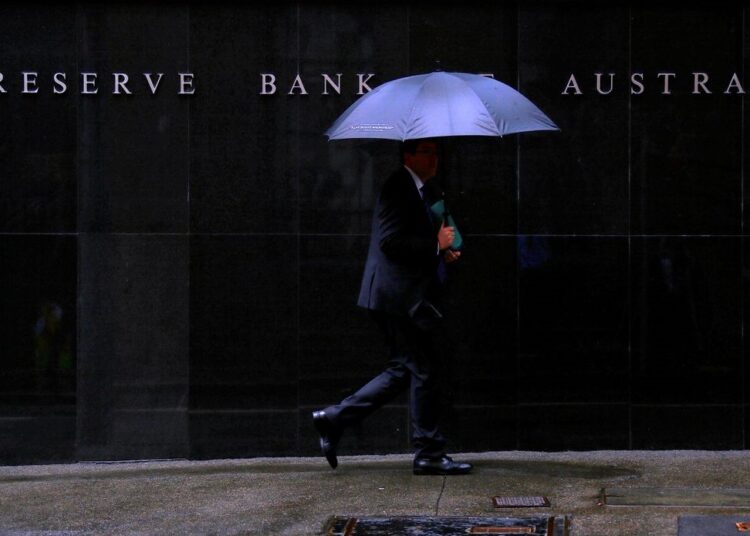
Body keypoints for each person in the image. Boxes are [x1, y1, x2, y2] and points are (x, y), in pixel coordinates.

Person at [312, 138, 472, 476]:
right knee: (424, 368)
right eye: (427, 152)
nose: (434, 159)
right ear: (408, 155)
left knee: (407, 368)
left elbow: (422, 236)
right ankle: (427, 453)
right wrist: (434, 245)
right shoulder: (397, 186)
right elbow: (390, 241)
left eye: (436, 152)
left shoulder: (423, 189)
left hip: (402, 296)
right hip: (395, 297)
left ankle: (334, 418)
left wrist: (444, 249)